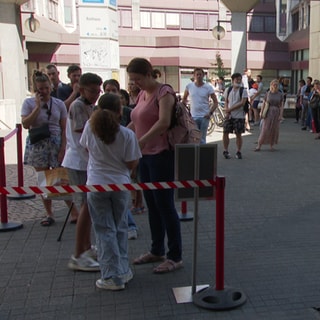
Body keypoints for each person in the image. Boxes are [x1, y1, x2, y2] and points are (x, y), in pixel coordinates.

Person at [80, 93, 141, 291]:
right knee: (120, 227)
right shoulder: (126, 134)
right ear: (119, 111)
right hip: (121, 185)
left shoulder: (90, 128)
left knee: (104, 230)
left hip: (96, 185)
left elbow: (86, 149)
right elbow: (132, 163)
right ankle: (122, 270)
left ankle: (110, 275)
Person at [127, 57, 183, 273]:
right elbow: (136, 121)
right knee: (152, 205)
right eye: (132, 80)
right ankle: (157, 249)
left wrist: (140, 142)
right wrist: (121, 134)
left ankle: (175, 255)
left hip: (161, 155)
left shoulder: (164, 92)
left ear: (150, 74)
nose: (135, 84)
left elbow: (164, 122)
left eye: (138, 79)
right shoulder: (142, 94)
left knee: (165, 205)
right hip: (145, 157)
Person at [21, 70, 78, 226]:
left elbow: (64, 127)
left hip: (55, 142)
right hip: (38, 143)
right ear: (35, 89)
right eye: (41, 89)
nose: (44, 91)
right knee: (44, 179)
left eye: (46, 88)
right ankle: (49, 213)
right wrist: (37, 108)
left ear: (51, 87)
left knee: (61, 178)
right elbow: (26, 124)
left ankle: (73, 211)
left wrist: (63, 147)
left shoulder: (59, 103)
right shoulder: (28, 103)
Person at [62, 72, 103, 271]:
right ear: (82, 89)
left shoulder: (88, 105)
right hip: (79, 162)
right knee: (86, 207)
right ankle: (78, 254)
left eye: (98, 91)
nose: (97, 95)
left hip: (85, 162)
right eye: (93, 91)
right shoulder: (78, 106)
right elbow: (84, 138)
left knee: (90, 206)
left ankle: (86, 247)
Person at [182, 68, 218, 144]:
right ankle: (195, 154)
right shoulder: (189, 86)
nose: (198, 76)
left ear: (203, 76)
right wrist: (186, 112)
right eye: (197, 74)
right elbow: (184, 100)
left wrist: (210, 113)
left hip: (204, 116)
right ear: (194, 76)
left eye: (200, 74)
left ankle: (202, 154)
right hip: (193, 116)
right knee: (193, 138)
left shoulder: (208, 87)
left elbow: (215, 102)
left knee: (202, 139)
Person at [222, 72, 248, 159]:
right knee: (225, 132)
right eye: (237, 79)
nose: (239, 81)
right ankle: (225, 150)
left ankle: (238, 151)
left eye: (240, 79)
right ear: (233, 80)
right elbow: (226, 101)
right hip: (229, 116)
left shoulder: (243, 90)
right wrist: (227, 111)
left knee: (238, 134)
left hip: (239, 115)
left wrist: (230, 109)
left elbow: (242, 103)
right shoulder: (228, 90)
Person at [255, 79, 284, 151]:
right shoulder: (268, 93)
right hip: (268, 111)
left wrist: (281, 115)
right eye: (274, 84)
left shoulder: (280, 94)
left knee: (274, 129)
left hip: (276, 111)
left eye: (276, 85)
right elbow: (264, 103)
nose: (275, 86)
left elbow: (281, 105)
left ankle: (271, 145)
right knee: (265, 128)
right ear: (271, 85)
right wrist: (261, 112)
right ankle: (259, 145)